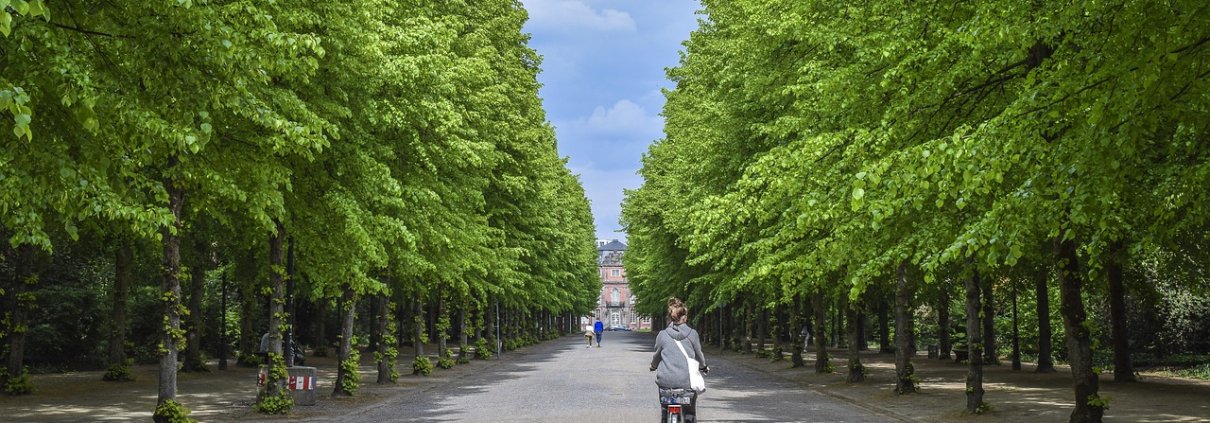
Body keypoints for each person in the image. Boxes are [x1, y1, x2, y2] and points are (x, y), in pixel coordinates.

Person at [650, 297, 709, 423]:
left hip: (666, 383)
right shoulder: (692, 334)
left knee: (665, 414)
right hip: (686, 384)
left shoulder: (662, 334)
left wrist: (653, 366)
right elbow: (699, 355)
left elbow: (657, 355)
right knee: (690, 414)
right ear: (685, 317)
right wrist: (703, 366)